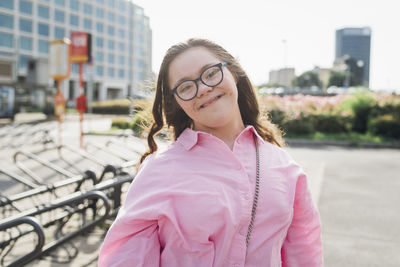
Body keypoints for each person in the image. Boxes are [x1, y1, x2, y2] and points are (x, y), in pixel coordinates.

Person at [98, 38, 323, 266]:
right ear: (177, 102)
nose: (203, 89)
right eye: (186, 87)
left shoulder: (284, 166)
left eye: (211, 73)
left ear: (233, 73)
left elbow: (305, 254)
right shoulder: (158, 171)